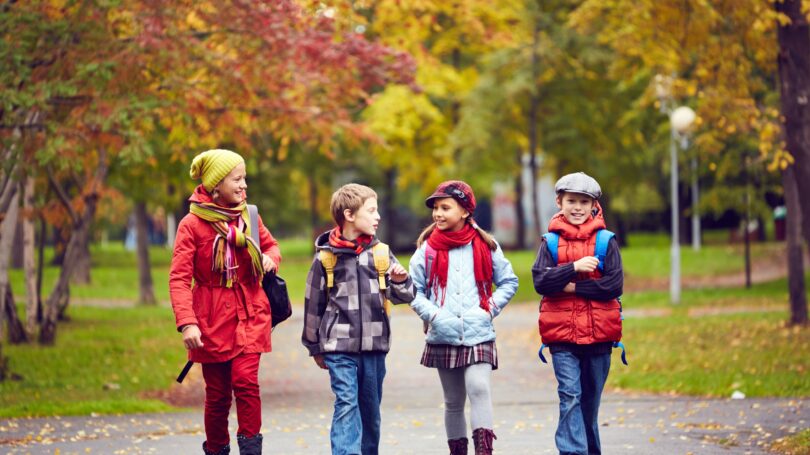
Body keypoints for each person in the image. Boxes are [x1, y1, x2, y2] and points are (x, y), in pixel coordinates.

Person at [169, 149, 281, 455]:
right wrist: (187, 323)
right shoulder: (191, 226)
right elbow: (179, 279)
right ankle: (217, 450)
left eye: (245, 178)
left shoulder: (250, 215)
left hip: (250, 312)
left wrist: (270, 259)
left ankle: (251, 451)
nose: (244, 185)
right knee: (217, 395)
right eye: (237, 179)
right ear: (216, 184)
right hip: (211, 318)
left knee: (246, 383)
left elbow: (271, 246)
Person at [301, 183, 415, 455]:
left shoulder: (381, 254)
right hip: (339, 348)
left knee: (370, 412)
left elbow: (405, 295)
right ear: (349, 215)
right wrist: (314, 346)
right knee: (346, 403)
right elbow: (313, 303)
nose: (378, 217)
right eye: (372, 211)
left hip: (375, 347)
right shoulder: (325, 258)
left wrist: (401, 280)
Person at [408, 180, 518, 455]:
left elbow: (509, 282)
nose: (438, 214)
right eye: (435, 208)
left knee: (478, 387)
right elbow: (413, 290)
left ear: (465, 211)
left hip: (478, 331)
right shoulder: (427, 249)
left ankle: (484, 451)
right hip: (442, 332)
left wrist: (488, 309)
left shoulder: (486, 245)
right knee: (453, 400)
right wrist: (434, 315)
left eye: (445, 207)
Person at [531, 172, 624, 455]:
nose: (578, 207)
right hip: (561, 338)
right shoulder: (549, 242)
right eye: (571, 200)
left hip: (599, 337)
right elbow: (541, 282)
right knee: (570, 396)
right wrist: (572, 268)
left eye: (584, 202)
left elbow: (613, 285)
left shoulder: (606, 241)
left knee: (589, 404)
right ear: (559, 201)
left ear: (594, 205)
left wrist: (570, 287)